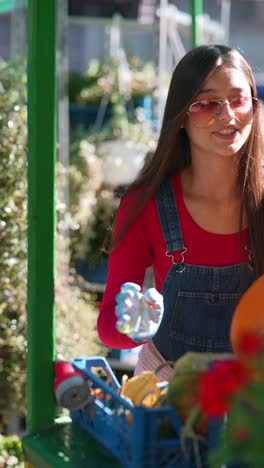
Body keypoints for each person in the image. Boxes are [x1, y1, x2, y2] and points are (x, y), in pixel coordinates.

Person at [97, 44, 264, 381]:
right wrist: (133, 328)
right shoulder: (145, 204)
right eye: (205, 104)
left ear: (254, 107)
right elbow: (108, 330)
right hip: (166, 394)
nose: (227, 115)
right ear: (181, 117)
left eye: (238, 100)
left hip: (252, 399)